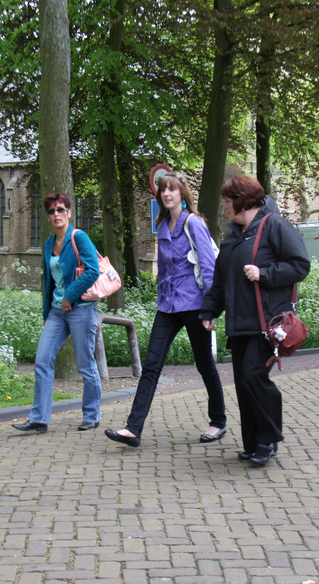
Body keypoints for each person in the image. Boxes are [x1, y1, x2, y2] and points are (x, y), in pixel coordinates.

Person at [105, 172, 227, 448]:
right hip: (168, 306)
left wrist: (210, 310)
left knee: (205, 365)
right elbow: (163, 269)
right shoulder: (161, 226)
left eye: (172, 189)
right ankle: (133, 429)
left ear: (182, 193)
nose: (167, 194)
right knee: (151, 365)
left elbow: (209, 267)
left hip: (194, 305)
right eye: (163, 190)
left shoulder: (193, 223)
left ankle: (218, 422)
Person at [201, 175, 310, 467]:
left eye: (227, 201)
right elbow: (221, 280)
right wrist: (209, 311)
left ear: (242, 201)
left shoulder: (275, 226)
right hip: (240, 323)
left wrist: (265, 273)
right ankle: (253, 444)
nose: (224, 206)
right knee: (243, 383)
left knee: (253, 377)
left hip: (266, 322)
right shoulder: (233, 236)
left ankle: (267, 439)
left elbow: (300, 265)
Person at [13, 193, 102, 434]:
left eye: (60, 209)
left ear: (69, 212)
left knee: (85, 365)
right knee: (42, 361)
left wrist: (69, 296)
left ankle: (92, 415)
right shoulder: (49, 243)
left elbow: (92, 271)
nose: (56, 214)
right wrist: (46, 313)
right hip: (55, 312)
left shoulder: (79, 237)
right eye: (51, 211)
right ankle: (39, 418)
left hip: (81, 310)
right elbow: (49, 282)